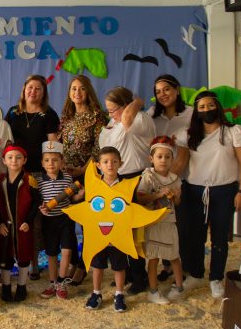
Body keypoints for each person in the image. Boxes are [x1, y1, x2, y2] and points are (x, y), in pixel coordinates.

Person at [174, 91, 241, 298]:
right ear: (196, 111)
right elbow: (180, 163)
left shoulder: (233, 132)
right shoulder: (188, 135)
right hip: (194, 191)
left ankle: (216, 278)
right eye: (202, 107)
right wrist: (161, 177)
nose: (206, 110)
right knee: (194, 237)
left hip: (224, 191)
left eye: (210, 106)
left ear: (217, 107)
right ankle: (197, 273)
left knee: (219, 236)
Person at [99, 86, 155, 294]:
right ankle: (127, 273)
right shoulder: (112, 123)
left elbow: (128, 118)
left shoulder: (139, 119)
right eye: (109, 110)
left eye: (113, 109)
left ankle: (140, 277)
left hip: (136, 178)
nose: (111, 114)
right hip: (117, 180)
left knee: (135, 232)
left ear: (126, 105)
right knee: (121, 230)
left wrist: (138, 101)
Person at [4, 74, 60, 280]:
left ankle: (34, 264)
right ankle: (12, 263)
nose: (33, 92)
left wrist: (50, 170)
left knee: (34, 221)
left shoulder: (49, 115)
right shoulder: (12, 112)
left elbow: (52, 146)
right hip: (15, 172)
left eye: (38, 88)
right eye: (30, 88)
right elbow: (7, 142)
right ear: (24, 89)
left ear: (43, 92)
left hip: (38, 174)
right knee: (15, 218)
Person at [58, 75, 107, 285]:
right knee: (68, 221)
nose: (77, 93)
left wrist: (82, 170)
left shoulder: (97, 117)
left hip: (88, 176)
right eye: (73, 89)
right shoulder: (66, 117)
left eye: (81, 89)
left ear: (88, 92)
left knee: (88, 223)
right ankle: (73, 260)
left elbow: (98, 149)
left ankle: (84, 266)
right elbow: (59, 146)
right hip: (66, 177)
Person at [147, 74, 193, 282]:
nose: (162, 94)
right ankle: (166, 266)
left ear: (176, 89)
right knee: (160, 224)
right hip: (157, 182)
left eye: (166, 89)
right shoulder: (151, 116)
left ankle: (186, 267)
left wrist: (172, 178)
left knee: (180, 225)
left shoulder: (191, 115)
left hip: (184, 178)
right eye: (158, 91)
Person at [136, 137, 184, 305]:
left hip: (169, 221)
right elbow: (140, 198)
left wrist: (175, 196)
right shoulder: (148, 176)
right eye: (159, 156)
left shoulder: (175, 179)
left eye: (167, 157)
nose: (163, 160)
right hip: (154, 222)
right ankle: (153, 291)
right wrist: (158, 194)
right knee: (153, 258)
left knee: (174, 256)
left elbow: (176, 203)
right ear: (152, 158)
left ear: (172, 159)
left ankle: (179, 287)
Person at [84, 147, 130, 313]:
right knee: (97, 265)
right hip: (98, 235)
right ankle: (96, 293)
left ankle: (119, 293)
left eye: (114, 161)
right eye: (105, 162)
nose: (110, 165)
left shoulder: (127, 185)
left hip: (119, 235)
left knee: (119, 266)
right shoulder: (93, 185)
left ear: (120, 163)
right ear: (98, 165)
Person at [36, 141, 82, 300]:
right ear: (42, 163)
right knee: (51, 253)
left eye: (55, 160)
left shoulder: (68, 178)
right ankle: (52, 282)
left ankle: (62, 283)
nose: (51, 164)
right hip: (49, 221)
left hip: (66, 218)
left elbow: (72, 198)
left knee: (67, 250)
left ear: (62, 162)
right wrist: (41, 207)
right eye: (47, 160)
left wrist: (80, 195)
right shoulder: (39, 181)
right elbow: (38, 201)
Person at [0, 144, 40, 302]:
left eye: (18, 157)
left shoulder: (30, 180)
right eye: (10, 157)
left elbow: (36, 203)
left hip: (22, 226)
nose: (14, 161)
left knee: (23, 255)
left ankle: (21, 286)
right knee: (5, 256)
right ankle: (6, 286)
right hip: (5, 227)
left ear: (25, 160)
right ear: (4, 160)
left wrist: (28, 220)